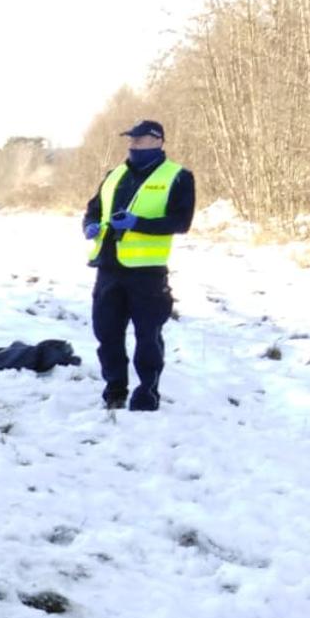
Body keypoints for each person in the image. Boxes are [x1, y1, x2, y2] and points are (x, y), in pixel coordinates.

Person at [83, 120, 195, 411]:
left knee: (148, 337)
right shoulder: (114, 175)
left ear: (158, 141)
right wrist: (90, 225)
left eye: (139, 139)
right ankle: (114, 391)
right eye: (131, 139)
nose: (133, 144)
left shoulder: (178, 177)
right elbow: (93, 209)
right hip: (108, 266)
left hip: (147, 273)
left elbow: (181, 222)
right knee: (107, 335)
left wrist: (137, 223)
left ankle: (147, 395)